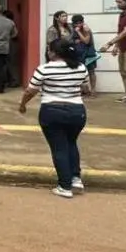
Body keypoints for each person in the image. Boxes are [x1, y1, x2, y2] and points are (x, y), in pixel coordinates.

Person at [19, 39, 91, 199]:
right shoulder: (81, 67)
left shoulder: (44, 69)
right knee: (71, 143)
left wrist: (22, 105)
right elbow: (87, 89)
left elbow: (30, 91)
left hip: (52, 111)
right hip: (77, 111)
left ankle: (64, 186)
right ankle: (76, 178)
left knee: (59, 148)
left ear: (53, 52)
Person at [71, 14, 98, 96]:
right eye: (76, 23)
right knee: (78, 71)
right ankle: (83, 90)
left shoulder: (86, 29)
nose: (78, 25)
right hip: (78, 53)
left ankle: (93, 90)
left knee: (91, 71)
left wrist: (79, 32)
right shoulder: (72, 29)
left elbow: (86, 41)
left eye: (80, 23)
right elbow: (73, 41)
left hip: (88, 53)